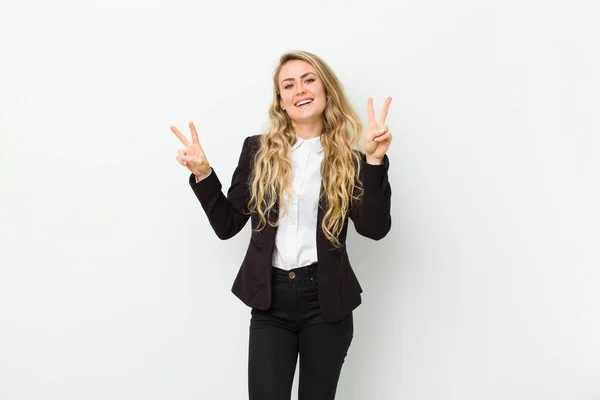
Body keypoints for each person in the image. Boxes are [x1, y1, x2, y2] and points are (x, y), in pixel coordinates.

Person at [170, 50, 392, 400]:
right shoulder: (258, 151)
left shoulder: (350, 160)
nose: (299, 90)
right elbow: (228, 225)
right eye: (288, 85)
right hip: (270, 303)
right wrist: (203, 174)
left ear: (326, 90)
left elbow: (374, 229)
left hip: (326, 303)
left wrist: (374, 161)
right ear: (281, 102)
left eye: (308, 80)